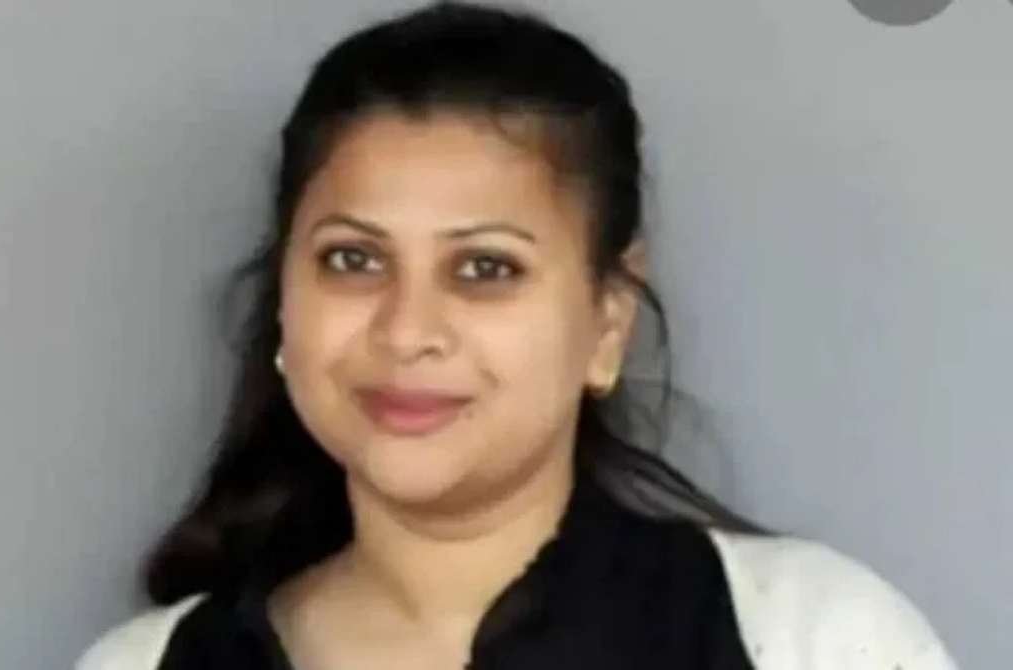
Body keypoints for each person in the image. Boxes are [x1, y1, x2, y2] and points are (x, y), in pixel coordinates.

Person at [77, 3, 955, 668]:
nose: (407, 330)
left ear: (607, 321)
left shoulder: (812, 639)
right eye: (353, 260)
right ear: (284, 305)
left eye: (485, 268)